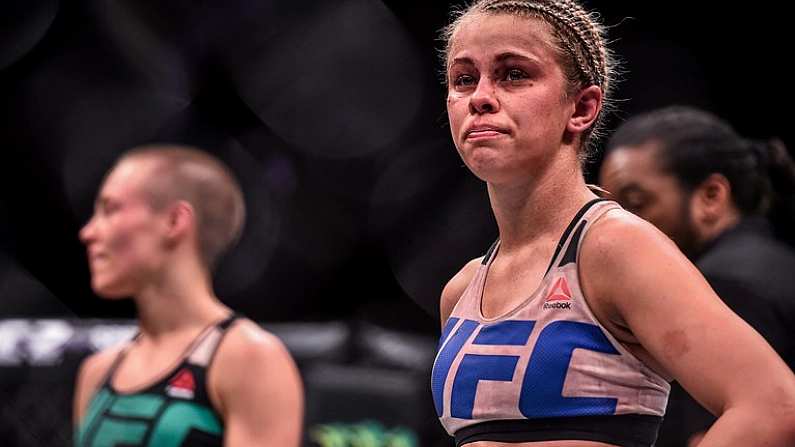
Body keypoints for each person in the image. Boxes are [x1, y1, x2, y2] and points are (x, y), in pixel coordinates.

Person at [429, 1, 795, 446]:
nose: (481, 97)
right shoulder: (461, 290)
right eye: (464, 79)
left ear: (581, 107)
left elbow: (773, 405)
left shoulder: (615, 247)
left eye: (513, 74)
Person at [72, 144, 303, 447]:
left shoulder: (250, 359)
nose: (88, 232)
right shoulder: (97, 372)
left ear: (174, 222)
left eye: (110, 209)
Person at [599, 105, 795, 446]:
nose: (617, 225)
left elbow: (745, 428)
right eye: (611, 210)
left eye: (635, 204)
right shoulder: (778, 262)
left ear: (711, 196)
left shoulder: (723, 286)